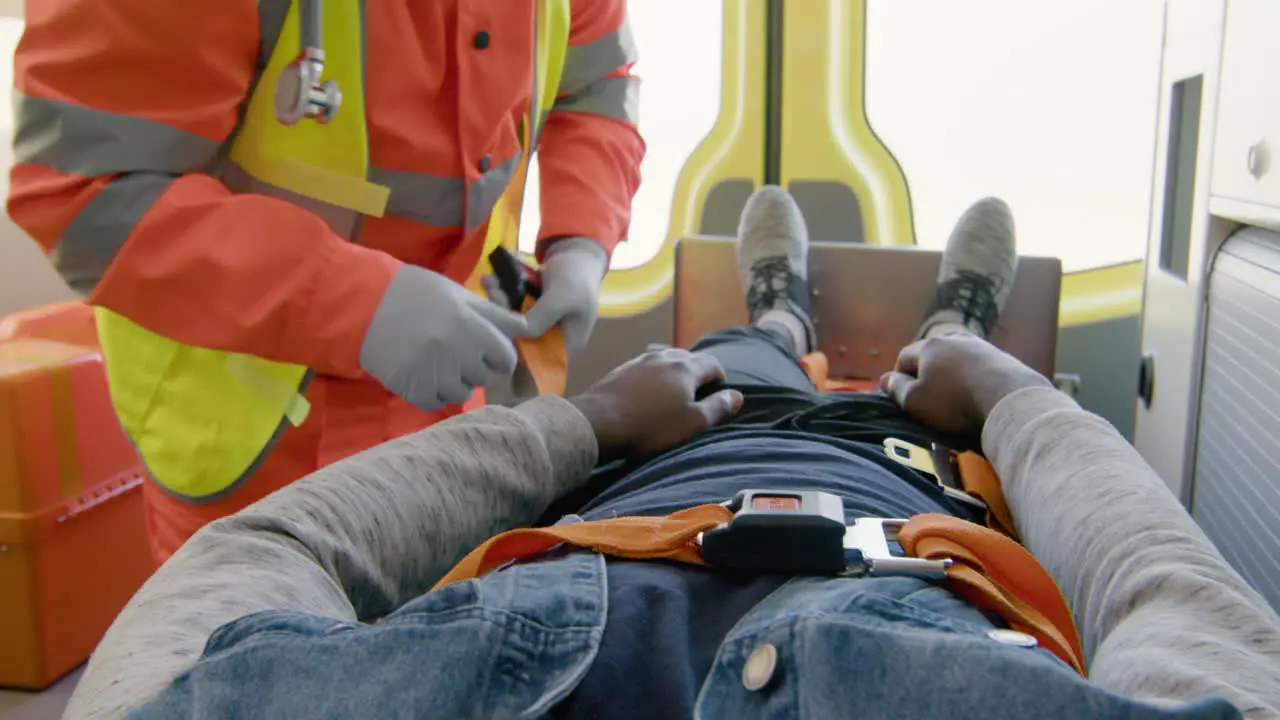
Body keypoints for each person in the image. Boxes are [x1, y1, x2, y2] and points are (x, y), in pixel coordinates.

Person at [66, 190, 1280, 720]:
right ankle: (948, 328)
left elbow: (265, 549)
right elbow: (1177, 606)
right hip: (906, 504)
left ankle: (778, 317)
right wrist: (1008, 397)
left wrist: (589, 424)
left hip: (639, 487)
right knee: (907, 397)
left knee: (735, 362)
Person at [7, 0, 643, 562]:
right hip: (247, 431)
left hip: (446, 397)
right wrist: (359, 303)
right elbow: (86, 196)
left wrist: (583, 238)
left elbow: (596, 86)